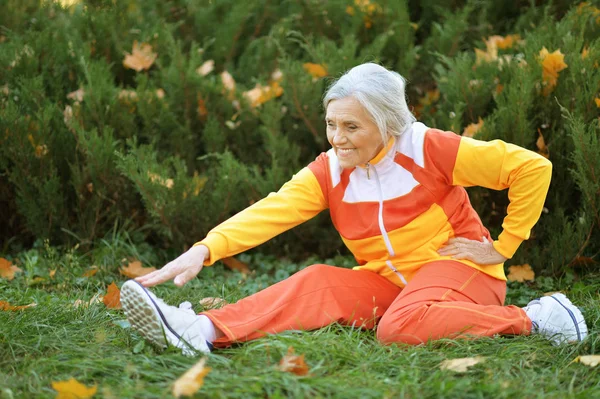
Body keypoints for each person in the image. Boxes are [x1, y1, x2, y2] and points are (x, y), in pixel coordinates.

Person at [120, 63, 588, 356]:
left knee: (397, 329)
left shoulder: (429, 148)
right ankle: (198, 331)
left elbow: (531, 168)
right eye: (331, 124)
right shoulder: (332, 169)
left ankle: (536, 319)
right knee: (316, 279)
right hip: (391, 284)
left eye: (351, 127)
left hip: (460, 273)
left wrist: (503, 248)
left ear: (387, 123)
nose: (337, 138)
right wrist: (203, 251)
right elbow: (272, 210)